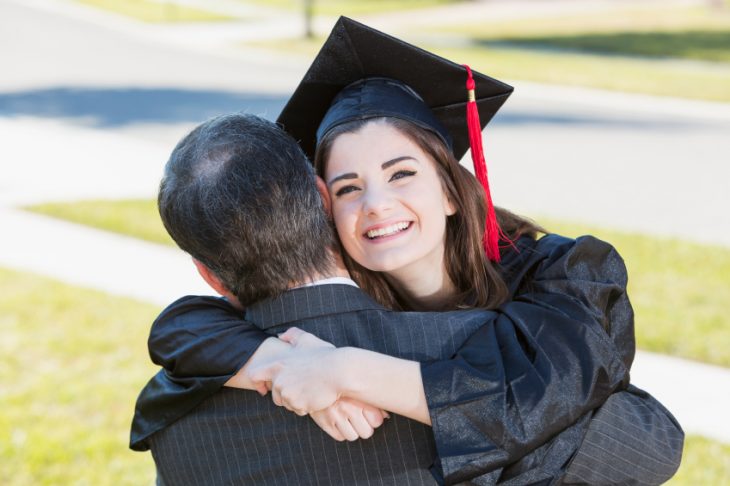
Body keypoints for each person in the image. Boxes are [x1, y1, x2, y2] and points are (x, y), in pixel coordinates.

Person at [131, 18, 682, 485]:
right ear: (323, 207)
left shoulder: (557, 278)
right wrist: (270, 363)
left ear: (449, 187)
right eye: (348, 187)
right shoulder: (311, 333)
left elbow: (563, 404)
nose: (376, 203)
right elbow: (182, 326)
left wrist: (345, 370)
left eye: (401, 174)